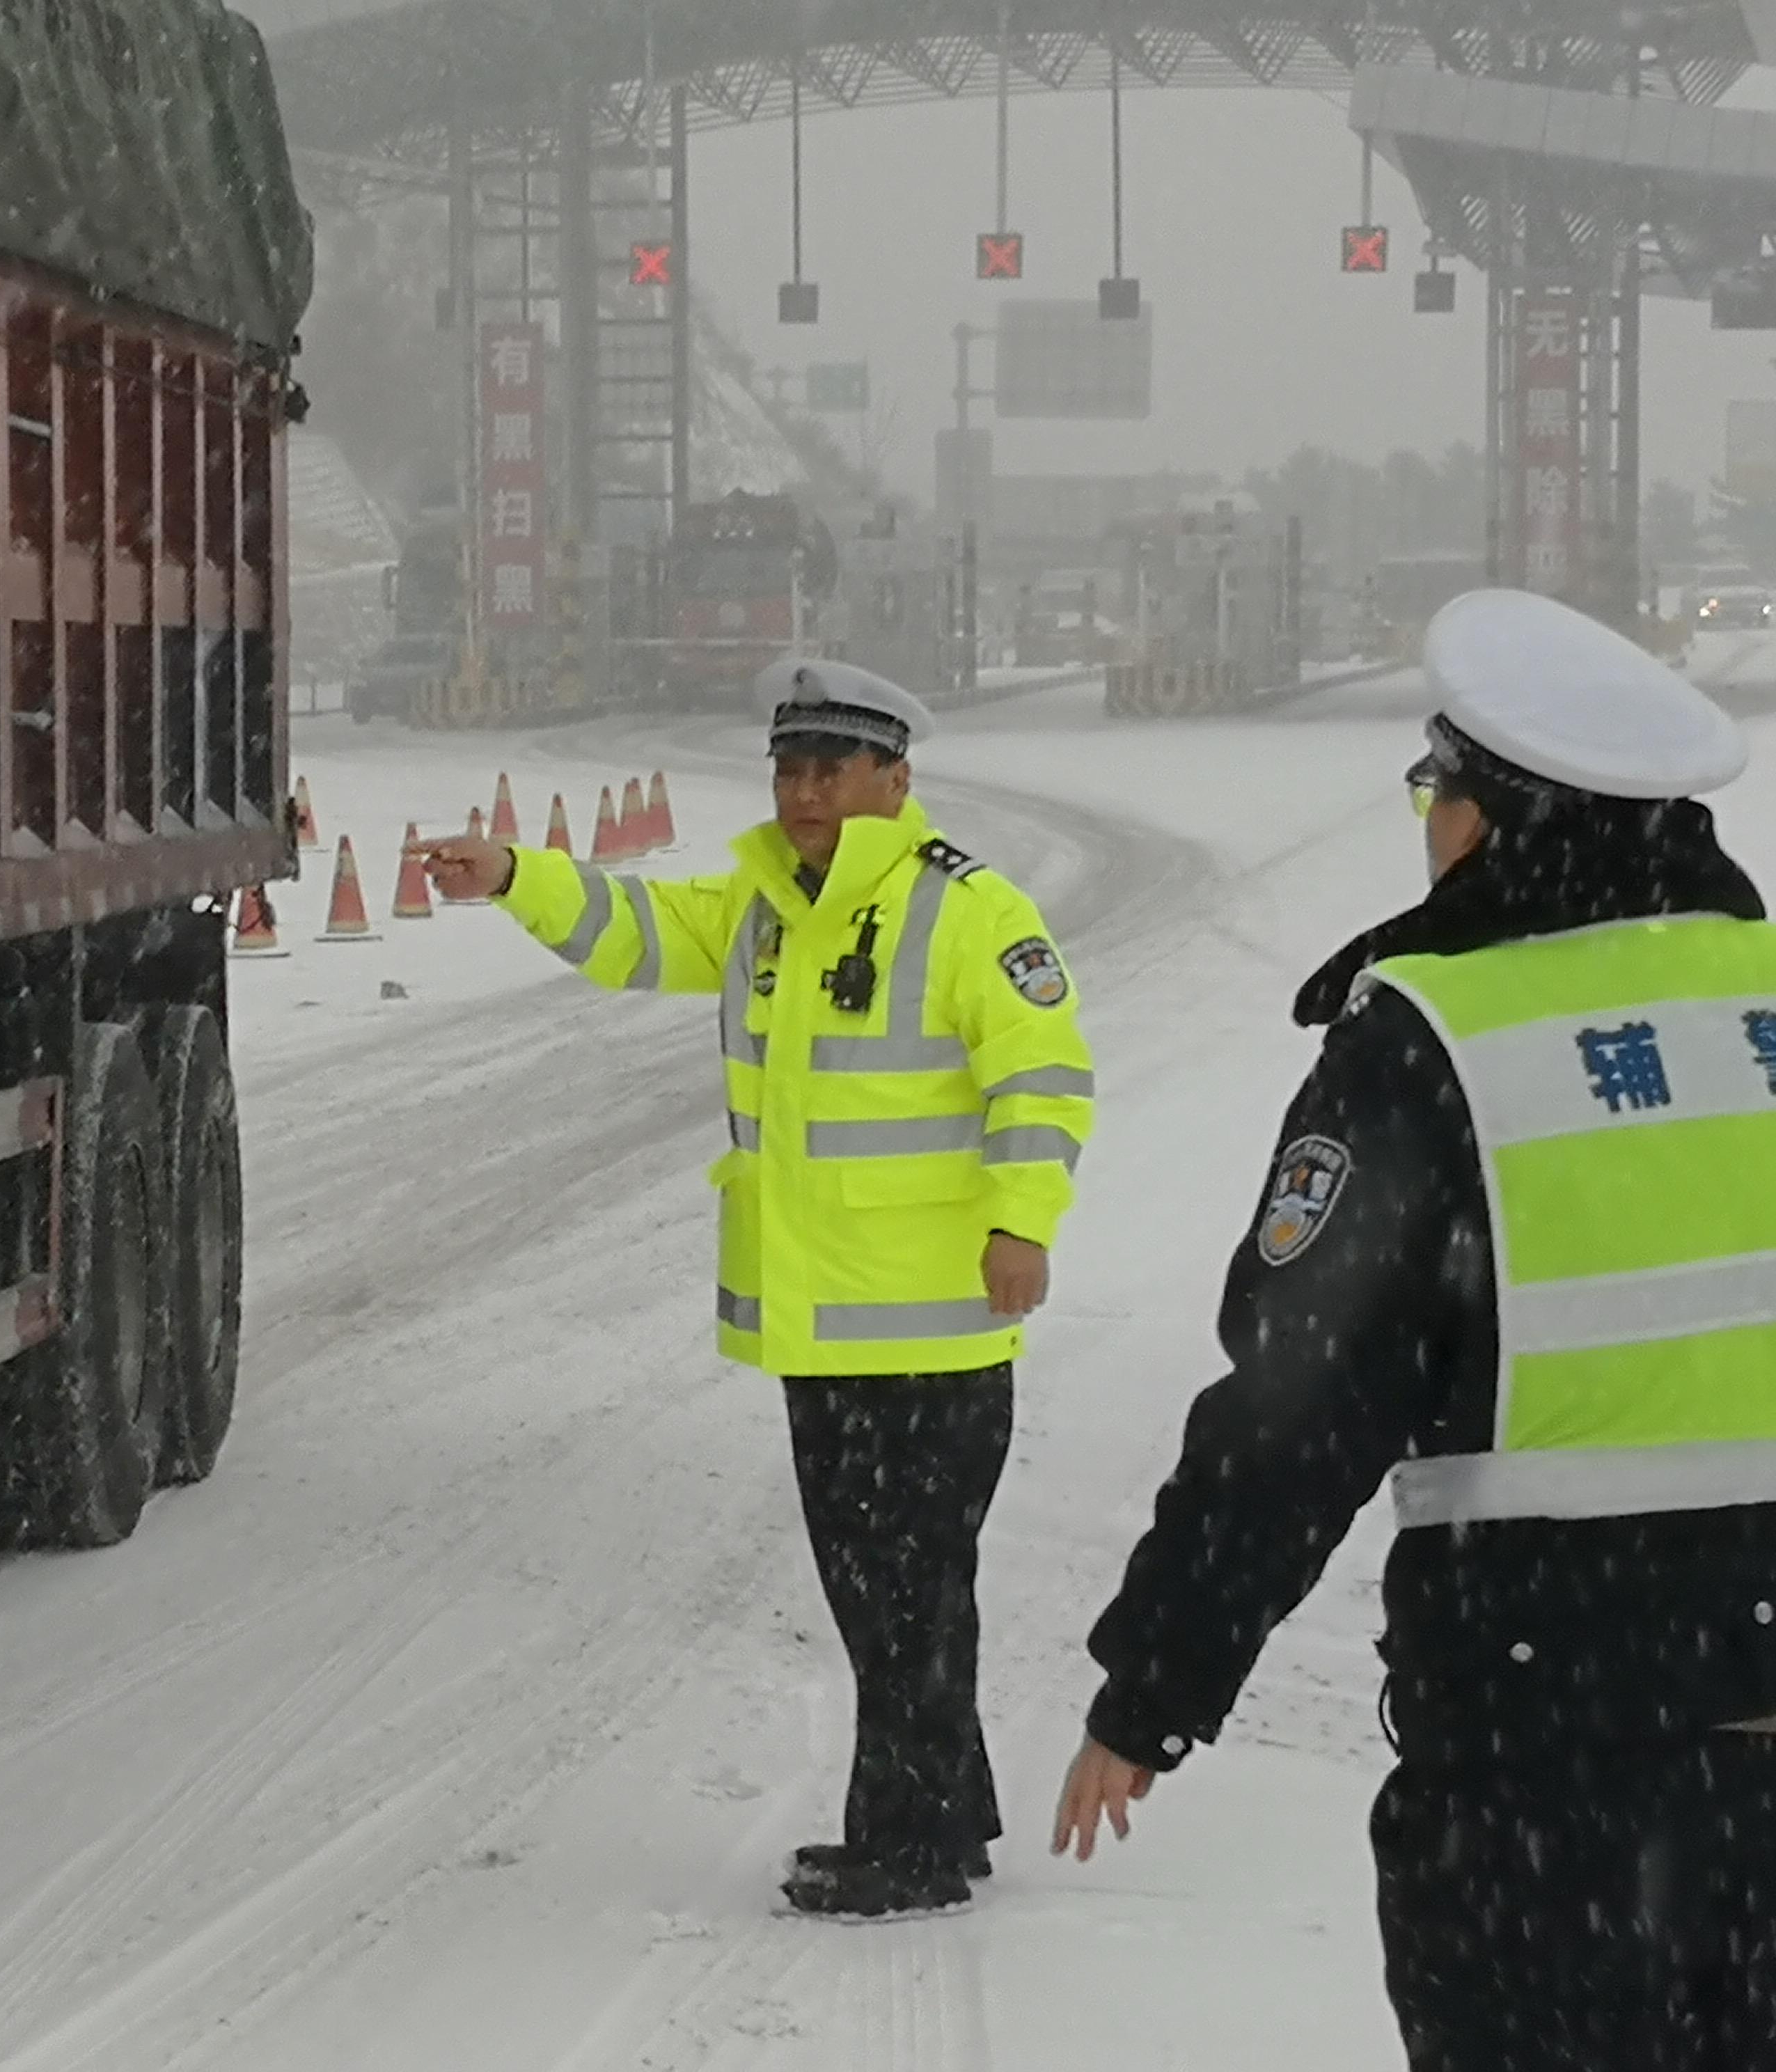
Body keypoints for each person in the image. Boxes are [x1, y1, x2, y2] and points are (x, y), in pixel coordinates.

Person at [1051, 589, 1776, 2066]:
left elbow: (1295, 1416)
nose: (1424, 819)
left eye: (1433, 788)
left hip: (1548, 1753)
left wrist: (1155, 1685)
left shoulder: (1432, 1043)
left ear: (1492, 815)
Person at [411, 657, 1096, 1921]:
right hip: (820, 1326)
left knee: (907, 1591)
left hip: (937, 1327)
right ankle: (950, 1809)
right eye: (789, 768)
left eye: (833, 768)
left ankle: (908, 1846)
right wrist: (518, 877)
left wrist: (1023, 1224)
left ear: (898, 776)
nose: (805, 792)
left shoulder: (972, 913)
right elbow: (641, 935)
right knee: (884, 1593)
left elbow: (1044, 1079)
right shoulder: (766, 906)